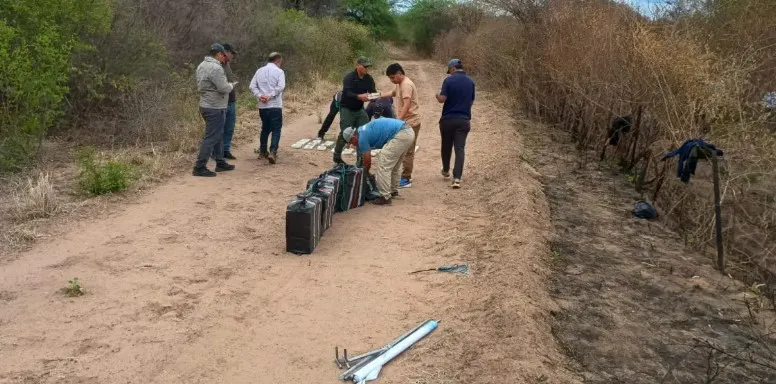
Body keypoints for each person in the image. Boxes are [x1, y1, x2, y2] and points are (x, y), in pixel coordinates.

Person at [342, 117, 415, 205]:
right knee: (394, 165)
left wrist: (365, 173)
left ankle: (385, 197)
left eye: (350, 142)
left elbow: (367, 160)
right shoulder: (362, 130)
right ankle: (393, 191)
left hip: (401, 134)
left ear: (353, 137)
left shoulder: (361, 138)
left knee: (383, 164)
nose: (351, 145)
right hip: (408, 131)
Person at [193, 43, 237, 177]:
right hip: (215, 107)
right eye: (223, 54)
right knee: (211, 137)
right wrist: (231, 85)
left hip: (206, 104)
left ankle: (220, 162)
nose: (224, 57)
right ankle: (200, 166)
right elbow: (223, 88)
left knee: (217, 134)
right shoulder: (216, 67)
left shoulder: (201, 65)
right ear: (218, 54)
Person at [436, 59, 475, 189]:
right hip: (463, 120)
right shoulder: (471, 82)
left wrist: (437, 95)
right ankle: (457, 178)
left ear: (452, 68)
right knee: (460, 149)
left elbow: (442, 99)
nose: (450, 73)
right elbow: (471, 101)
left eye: (450, 71)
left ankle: (446, 170)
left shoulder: (448, 81)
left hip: (448, 119)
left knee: (446, 146)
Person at [380, 63, 421, 189]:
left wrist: (398, 121)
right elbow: (393, 93)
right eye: (390, 78)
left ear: (400, 73)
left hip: (410, 122)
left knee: (408, 151)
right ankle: (400, 175)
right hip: (405, 122)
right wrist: (379, 96)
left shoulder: (406, 85)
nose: (392, 80)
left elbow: (407, 104)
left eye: (393, 77)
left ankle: (406, 178)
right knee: (401, 149)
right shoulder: (399, 85)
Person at [334, 57, 376, 165]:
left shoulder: (369, 79)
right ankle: (337, 157)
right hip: (347, 108)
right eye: (364, 66)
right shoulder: (349, 77)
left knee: (363, 133)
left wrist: (374, 97)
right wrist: (359, 96)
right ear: (357, 65)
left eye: (368, 66)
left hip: (359, 109)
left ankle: (360, 160)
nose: (366, 68)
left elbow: (373, 92)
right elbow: (347, 92)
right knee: (346, 133)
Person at [250, 52, 286, 164]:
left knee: (265, 128)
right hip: (275, 105)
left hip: (263, 106)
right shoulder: (279, 72)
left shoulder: (259, 71)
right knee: (276, 129)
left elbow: (252, 86)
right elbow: (280, 87)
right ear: (277, 60)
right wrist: (270, 96)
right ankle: (273, 152)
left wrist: (260, 96)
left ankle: (262, 151)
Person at [318, 92, 393, 140]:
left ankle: (358, 137)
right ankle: (321, 134)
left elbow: (364, 120)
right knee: (331, 117)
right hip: (338, 102)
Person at [221, 43, 239, 160]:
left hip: (231, 100)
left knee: (229, 127)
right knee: (219, 128)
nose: (232, 56)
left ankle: (225, 150)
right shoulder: (217, 65)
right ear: (225, 52)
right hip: (221, 102)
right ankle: (216, 151)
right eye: (231, 53)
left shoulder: (227, 64)